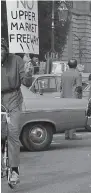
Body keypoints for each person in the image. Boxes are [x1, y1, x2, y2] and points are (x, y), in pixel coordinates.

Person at [1, 38, 33, 184]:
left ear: (6, 49)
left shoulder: (17, 60)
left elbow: (26, 82)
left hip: (13, 99)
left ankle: (14, 170)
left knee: (13, 133)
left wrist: (28, 72)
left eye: (1, 48)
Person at [61, 59, 83, 140]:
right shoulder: (77, 74)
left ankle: (66, 134)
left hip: (64, 97)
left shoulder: (63, 74)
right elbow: (79, 87)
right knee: (73, 116)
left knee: (66, 116)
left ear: (68, 65)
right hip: (73, 98)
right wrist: (80, 98)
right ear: (76, 65)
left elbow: (61, 87)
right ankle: (72, 134)